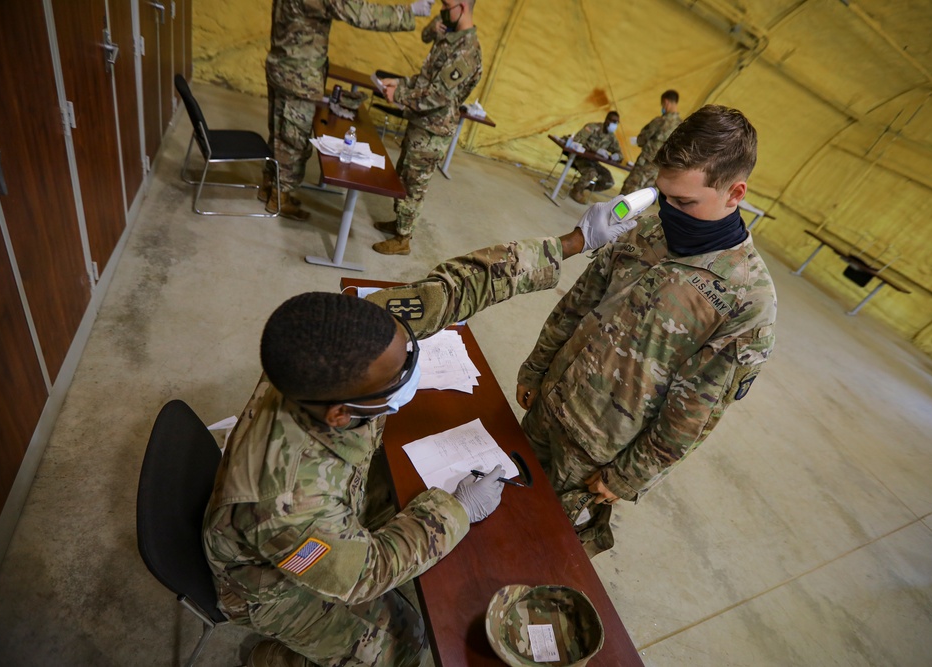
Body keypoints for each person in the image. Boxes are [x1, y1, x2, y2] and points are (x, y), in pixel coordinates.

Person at [202, 204, 636, 666]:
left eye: (410, 353)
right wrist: (456, 510)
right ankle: (277, 658)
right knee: (404, 644)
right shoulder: (289, 502)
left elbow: (452, 289)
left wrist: (575, 241)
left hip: (332, 502)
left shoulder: (351, 341)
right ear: (339, 415)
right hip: (270, 584)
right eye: (398, 377)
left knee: (406, 485)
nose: (413, 368)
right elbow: (361, 574)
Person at [515, 105, 778, 557]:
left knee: (533, 542)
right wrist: (536, 367)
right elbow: (579, 301)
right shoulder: (647, 228)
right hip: (550, 400)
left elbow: (695, 411)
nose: (668, 211)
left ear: (735, 193)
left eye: (685, 202)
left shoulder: (747, 300)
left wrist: (628, 477)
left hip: (596, 451)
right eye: (663, 195)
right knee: (506, 491)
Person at [260, 0, 436, 221]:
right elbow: (359, 13)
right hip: (298, 76)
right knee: (292, 139)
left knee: (278, 130)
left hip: (283, 66)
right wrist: (409, 12)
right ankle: (279, 197)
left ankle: (268, 186)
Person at [372, 0, 482, 255]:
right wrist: (399, 82)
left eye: (446, 4)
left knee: (414, 185)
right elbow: (425, 80)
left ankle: (403, 240)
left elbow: (437, 96)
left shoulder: (466, 52)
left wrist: (398, 95)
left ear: (462, 7)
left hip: (433, 131)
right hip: (422, 122)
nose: (442, 9)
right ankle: (400, 223)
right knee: (405, 175)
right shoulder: (450, 39)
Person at [620, 89, 681, 196]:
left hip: (646, 163)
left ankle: (614, 213)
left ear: (666, 102)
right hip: (661, 169)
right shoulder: (681, 126)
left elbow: (642, 138)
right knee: (645, 196)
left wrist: (640, 141)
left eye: (662, 104)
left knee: (629, 191)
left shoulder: (660, 121)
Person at [567, 110, 623, 204]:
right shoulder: (592, 127)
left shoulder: (611, 137)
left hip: (593, 162)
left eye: (617, 122)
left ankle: (583, 187)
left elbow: (619, 152)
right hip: (580, 158)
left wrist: (617, 156)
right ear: (607, 120)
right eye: (613, 121)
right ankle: (576, 191)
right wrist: (596, 149)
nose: (615, 124)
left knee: (608, 181)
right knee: (592, 173)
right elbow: (578, 140)